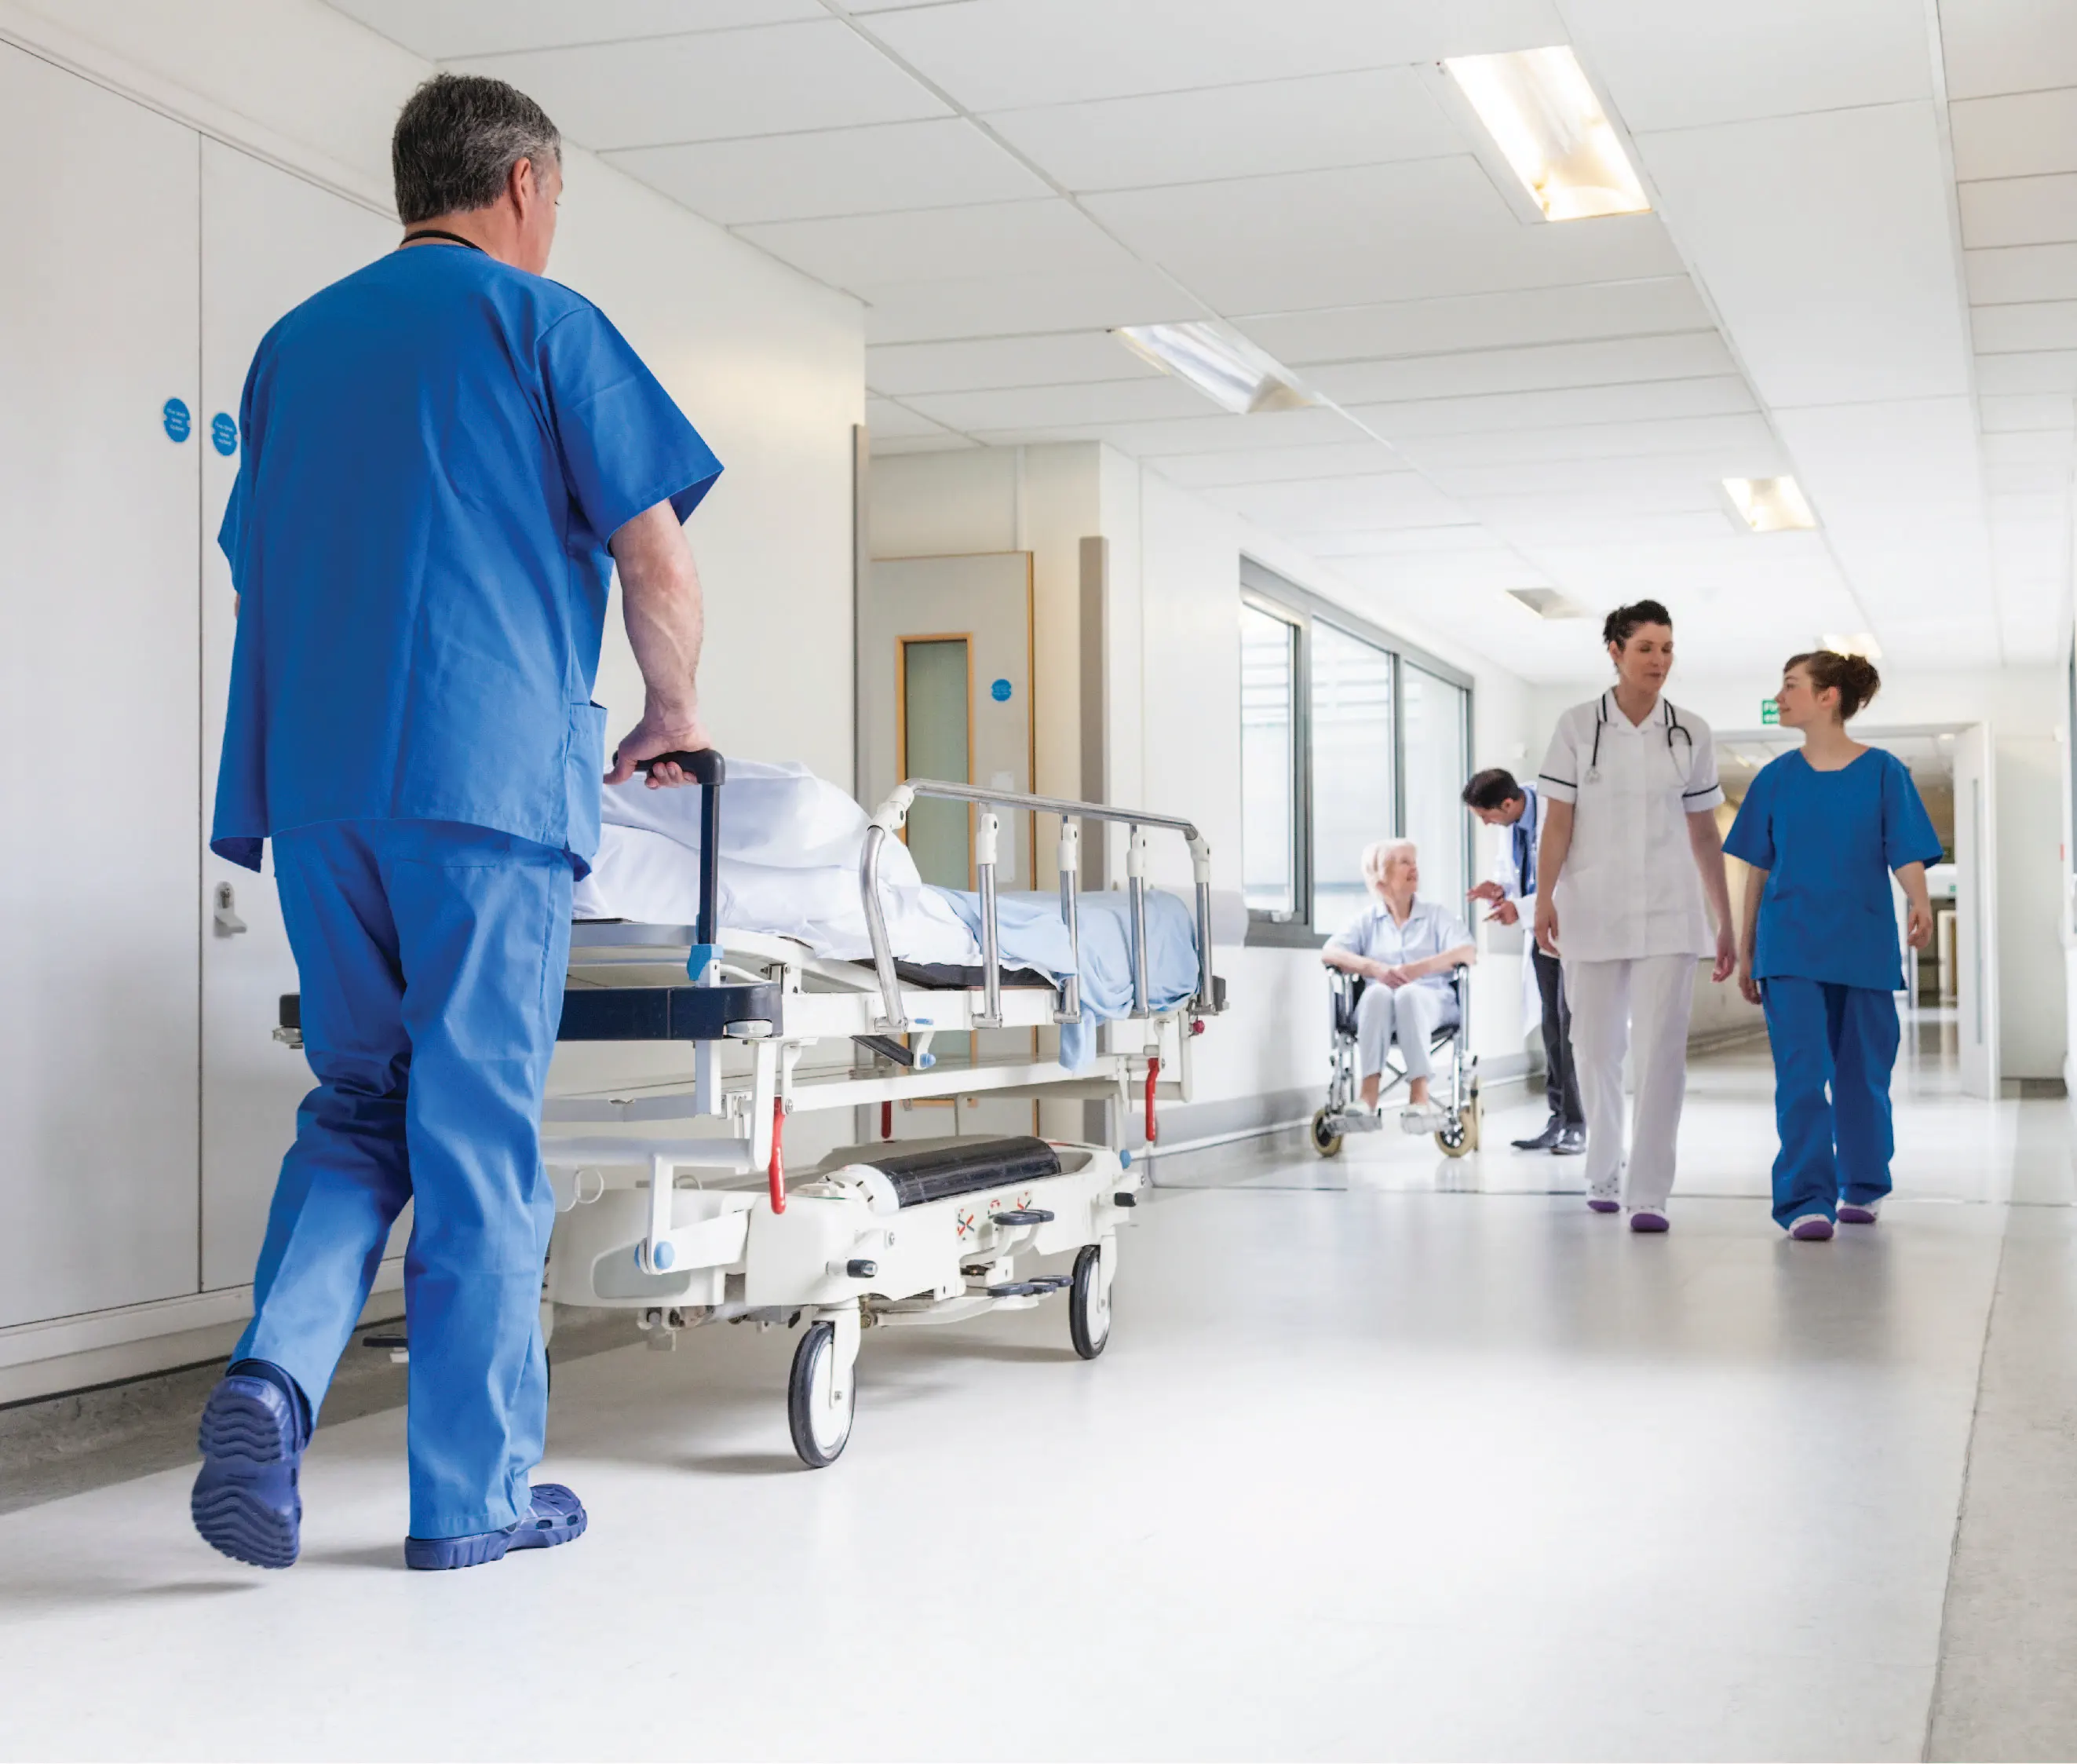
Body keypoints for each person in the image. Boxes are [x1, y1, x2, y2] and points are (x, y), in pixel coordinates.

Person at [192, 74, 724, 1572]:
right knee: (477, 1128)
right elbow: (657, 563)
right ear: (528, 183)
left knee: (359, 1103)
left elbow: (259, 576)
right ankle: (470, 1496)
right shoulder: (546, 326)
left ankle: (272, 1375)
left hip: (317, 787)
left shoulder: (294, 348)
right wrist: (672, 712)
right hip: (483, 791)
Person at [1532, 601, 1736, 1232]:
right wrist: (1542, 899)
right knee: (1593, 1047)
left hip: (1671, 911)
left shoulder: (1691, 732)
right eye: (1646, 647)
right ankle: (1603, 1166)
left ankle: (1649, 1190)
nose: (1660, 660)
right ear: (1615, 651)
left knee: (1660, 1052)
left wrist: (1724, 918)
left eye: (1668, 648)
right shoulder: (1575, 726)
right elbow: (1558, 822)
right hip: (1591, 908)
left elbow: (1704, 834)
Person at [1725, 653, 1940, 1240]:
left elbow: (1905, 848)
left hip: (1863, 943)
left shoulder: (1883, 772)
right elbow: (1758, 872)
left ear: (1828, 697)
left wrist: (1920, 901)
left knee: (1862, 1074)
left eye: (1790, 686)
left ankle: (1863, 1185)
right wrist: (1747, 950)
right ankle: (1805, 1200)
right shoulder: (1774, 779)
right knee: (1800, 1074)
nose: (1780, 696)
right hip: (1789, 946)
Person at [1464, 769, 1585, 1155]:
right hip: (1540, 934)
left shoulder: (1558, 811)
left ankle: (1579, 1123)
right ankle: (1559, 1117)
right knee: (1551, 1027)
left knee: (1571, 1028)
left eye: (1487, 815)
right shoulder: (1513, 824)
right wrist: (1501, 891)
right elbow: (1523, 877)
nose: (1486, 824)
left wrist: (1521, 906)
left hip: (1571, 930)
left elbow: (1568, 879)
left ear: (1509, 803)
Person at [1323, 841, 1477, 1133]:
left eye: (1414, 861)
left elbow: (1467, 953)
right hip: (1377, 1011)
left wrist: (1418, 969)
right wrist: (1374, 968)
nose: (1414, 867)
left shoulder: (1436, 916)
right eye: (1404, 862)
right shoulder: (1367, 921)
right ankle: (1367, 1094)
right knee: (1379, 992)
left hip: (1432, 1003)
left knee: (1407, 994)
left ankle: (1419, 1095)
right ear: (1381, 880)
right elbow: (1330, 953)